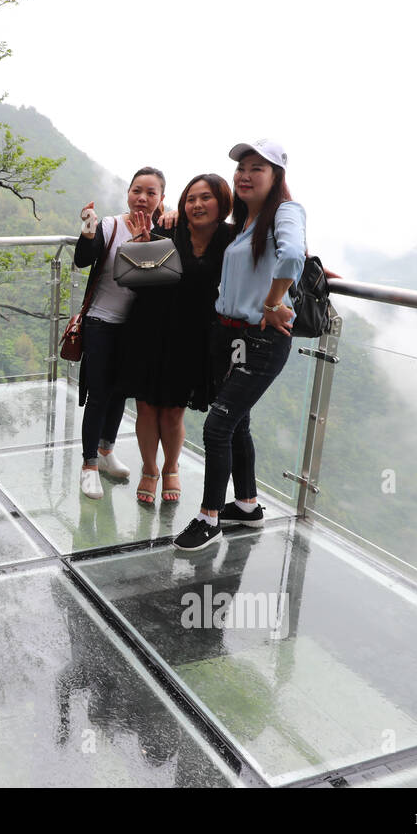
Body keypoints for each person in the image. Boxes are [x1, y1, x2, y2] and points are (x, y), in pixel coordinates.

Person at [174, 139, 305, 551]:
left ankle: (208, 517)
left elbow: (293, 255)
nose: (245, 175)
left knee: (218, 425)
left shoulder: (285, 211)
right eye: (241, 168)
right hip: (230, 335)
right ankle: (247, 506)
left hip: (262, 338)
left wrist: (271, 302)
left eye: (256, 168)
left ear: (276, 176)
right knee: (238, 423)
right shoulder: (248, 221)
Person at [121, 174, 235, 505]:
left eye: (206, 198)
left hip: (194, 336)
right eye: (191, 199)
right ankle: (149, 468)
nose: (197, 205)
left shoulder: (232, 238)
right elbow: (138, 279)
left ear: (222, 203)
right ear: (182, 204)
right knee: (145, 406)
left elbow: (270, 250)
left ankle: (171, 467)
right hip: (148, 327)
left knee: (173, 411)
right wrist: (142, 246)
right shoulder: (168, 230)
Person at [74, 167, 166, 499]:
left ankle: (105, 451)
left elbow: (155, 286)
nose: (143, 198)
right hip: (101, 321)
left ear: (161, 199)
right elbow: (82, 260)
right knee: (99, 395)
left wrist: (146, 245)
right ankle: (88, 466)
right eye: (137, 190)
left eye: (151, 193)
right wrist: (88, 226)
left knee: (120, 392)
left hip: (135, 329)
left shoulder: (162, 236)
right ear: (127, 192)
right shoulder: (110, 226)